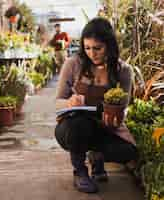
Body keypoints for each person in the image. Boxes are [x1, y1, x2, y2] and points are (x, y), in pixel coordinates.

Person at [55, 17, 138, 194]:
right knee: (80, 124)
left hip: (105, 127)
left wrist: (115, 116)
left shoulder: (123, 70)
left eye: (97, 48)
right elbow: (57, 102)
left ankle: (96, 155)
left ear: (109, 45)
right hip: (72, 128)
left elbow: (123, 106)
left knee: (128, 152)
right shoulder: (73, 64)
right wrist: (69, 102)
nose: (92, 53)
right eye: (87, 48)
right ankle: (80, 171)